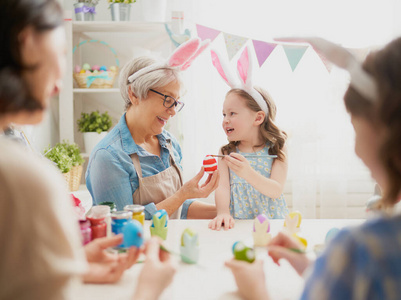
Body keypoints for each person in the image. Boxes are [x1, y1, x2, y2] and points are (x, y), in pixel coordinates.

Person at [0, 0, 174, 299]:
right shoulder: (21, 175)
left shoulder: (169, 143)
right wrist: (147, 291)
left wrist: (75, 265)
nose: (58, 85)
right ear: (27, 44)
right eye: (61, 54)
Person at [225, 37, 401, 300]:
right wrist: (316, 268)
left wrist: (256, 294)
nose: (356, 150)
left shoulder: (362, 250)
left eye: (357, 131)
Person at [85, 40, 219, 220]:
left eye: (176, 102)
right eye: (167, 99)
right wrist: (182, 194)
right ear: (134, 94)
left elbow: (177, 208)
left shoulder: (170, 144)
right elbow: (122, 226)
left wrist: (226, 211)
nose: (172, 111)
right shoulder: (108, 157)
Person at [208, 47, 289, 231]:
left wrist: (248, 173)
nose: (225, 120)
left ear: (258, 118)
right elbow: (223, 188)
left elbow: (276, 190)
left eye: (232, 113)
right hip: (238, 226)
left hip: (272, 226)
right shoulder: (226, 152)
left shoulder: (276, 148)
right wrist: (222, 212)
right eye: (223, 114)